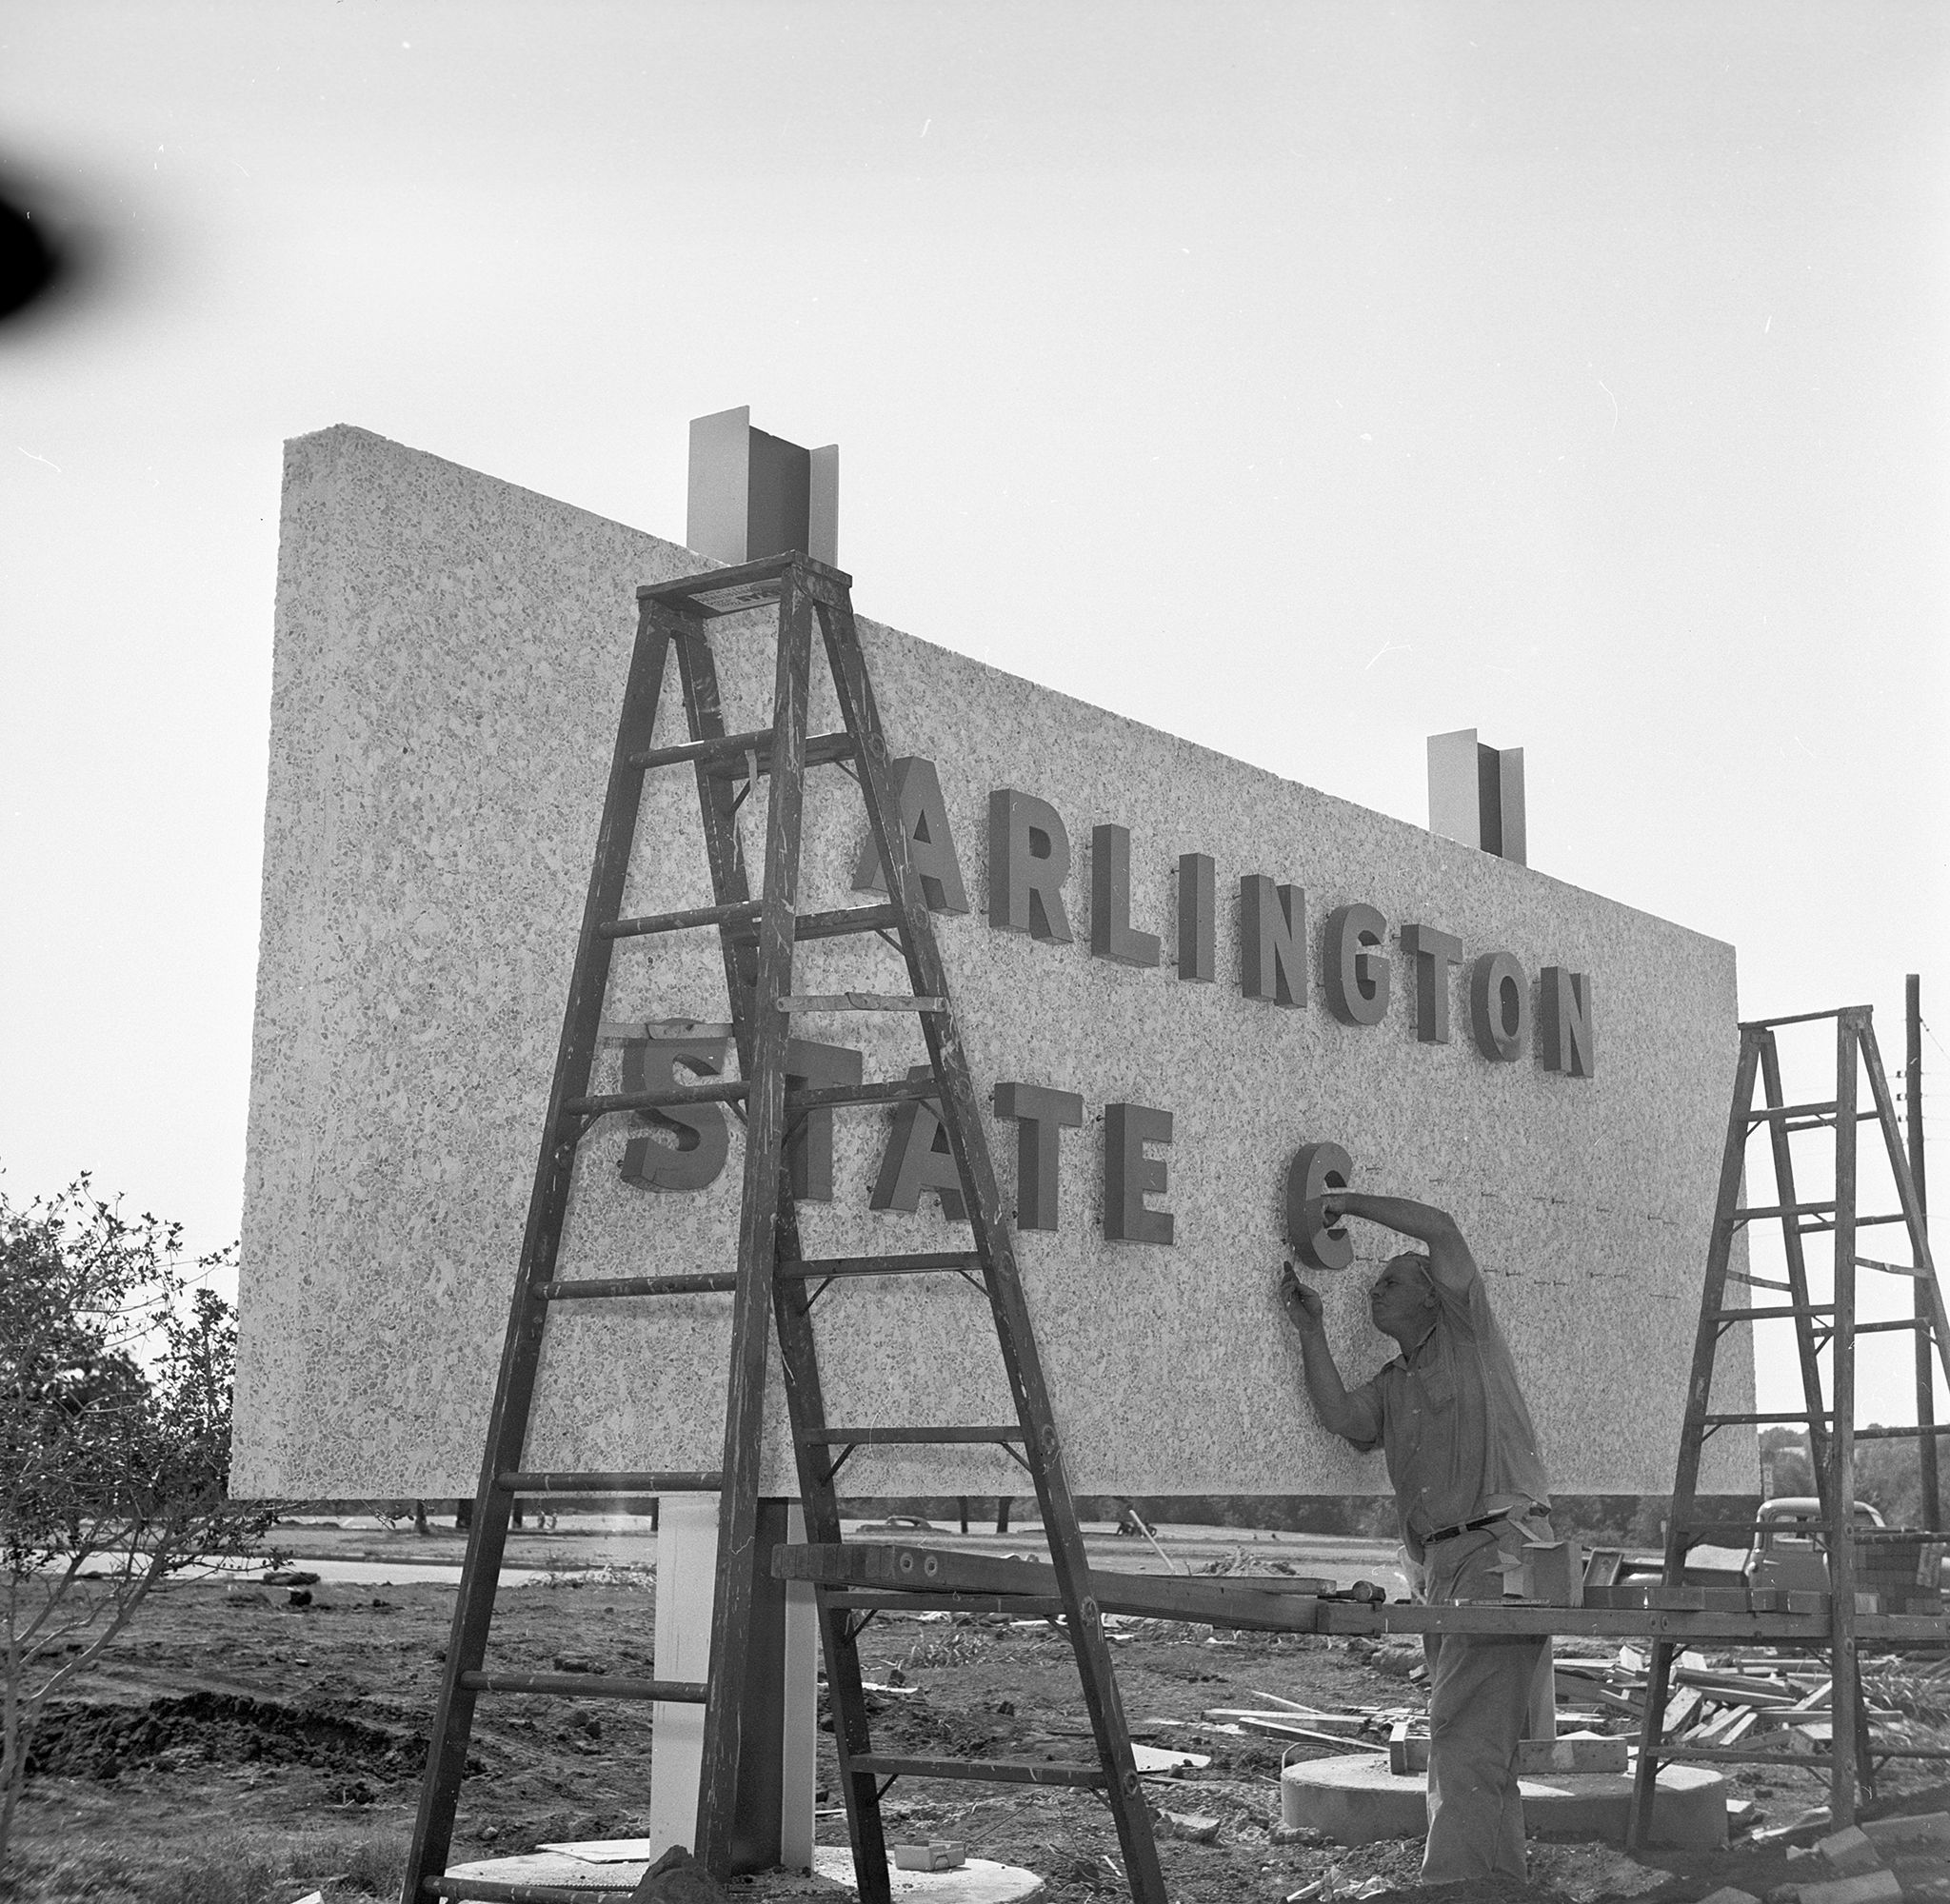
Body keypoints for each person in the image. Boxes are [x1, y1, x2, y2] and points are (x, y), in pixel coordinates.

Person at [1277, 1190, 1554, 1885]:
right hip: (1444, 1566)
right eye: (1375, 1282)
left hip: (1504, 1551)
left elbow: (1441, 1226)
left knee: (1463, 1732)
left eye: (1393, 1279)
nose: (1376, 1288)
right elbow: (1343, 1416)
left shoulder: (1469, 1335)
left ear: (1435, 1298)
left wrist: (1339, 1200)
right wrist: (1310, 1329)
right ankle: (1494, 1884)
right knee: (1475, 1736)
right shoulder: (1395, 1381)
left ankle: (1451, 1888)